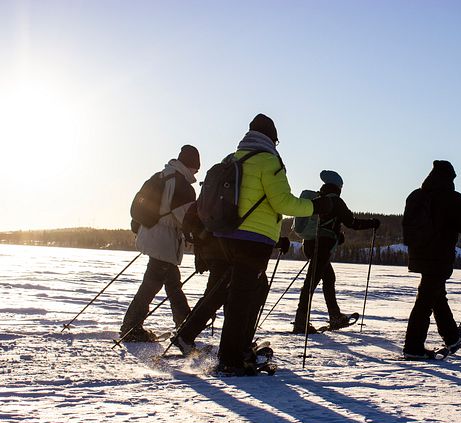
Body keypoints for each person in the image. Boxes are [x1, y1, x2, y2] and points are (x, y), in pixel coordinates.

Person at [210, 113, 334, 375]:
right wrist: (314, 206)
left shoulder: (234, 158)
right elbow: (283, 202)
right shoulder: (268, 160)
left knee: (248, 290)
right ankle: (231, 358)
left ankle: (237, 348)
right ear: (271, 138)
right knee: (244, 296)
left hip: (226, 236)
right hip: (253, 239)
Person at [169, 204, 290, 356]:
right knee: (247, 293)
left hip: (214, 248)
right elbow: (251, 224)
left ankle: (189, 336)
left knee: (218, 294)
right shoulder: (241, 186)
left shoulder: (218, 188)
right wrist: (276, 240)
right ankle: (237, 344)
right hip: (229, 249)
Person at [121, 145, 200, 341]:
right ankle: (131, 328)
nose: (196, 172)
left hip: (150, 233)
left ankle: (183, 325)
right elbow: (186, 219)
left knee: (172, 282)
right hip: (164, 239)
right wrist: (200, 235)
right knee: (151, 284)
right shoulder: (182, 185)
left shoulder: (161, 176)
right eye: (196, 168)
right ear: (190, 166)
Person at [401, 160, 461, 359]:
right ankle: (413, 347)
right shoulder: (452, 198)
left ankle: (451, 336)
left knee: (435, 295)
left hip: (419, 253)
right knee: (426, 300)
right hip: (440, 254)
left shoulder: (416, 196)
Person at [292, 170, 380, 333]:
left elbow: (326, 224)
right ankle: (301, 322)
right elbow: (352, 223)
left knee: (327, 278)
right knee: (310, 283)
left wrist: (337, 235)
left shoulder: (318, 199)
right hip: (322, 248)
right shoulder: (336, 202)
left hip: (310, 245)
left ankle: (334, 316)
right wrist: (372, 223)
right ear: (338, 188)